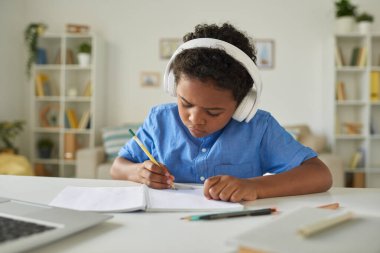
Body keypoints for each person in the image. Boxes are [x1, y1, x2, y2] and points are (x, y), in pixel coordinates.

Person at [110, 22, 332, 203]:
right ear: (172, 87)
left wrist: (254, 187)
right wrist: (137, 172)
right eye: (185, 103)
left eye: (214, 111)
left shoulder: (258, 127)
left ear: (242, 104)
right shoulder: (159, 120)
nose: (195, 119)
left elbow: (320, 175)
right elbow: (118, 167)